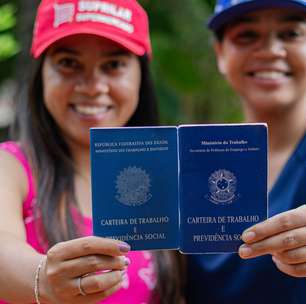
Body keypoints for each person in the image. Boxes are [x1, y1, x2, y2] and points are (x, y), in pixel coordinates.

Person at [0, 0, 185, 303]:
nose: (92, 86)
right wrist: (45, 278)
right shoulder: (11, 167)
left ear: (141, 75)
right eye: (69, 63)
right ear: (40, 74)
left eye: (113, 65)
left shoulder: (169, 178)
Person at [185, 0, 306, 303]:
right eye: (247, 35)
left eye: (291, 33)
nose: (270, 51)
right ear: (220, 54)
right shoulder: (187, 161)